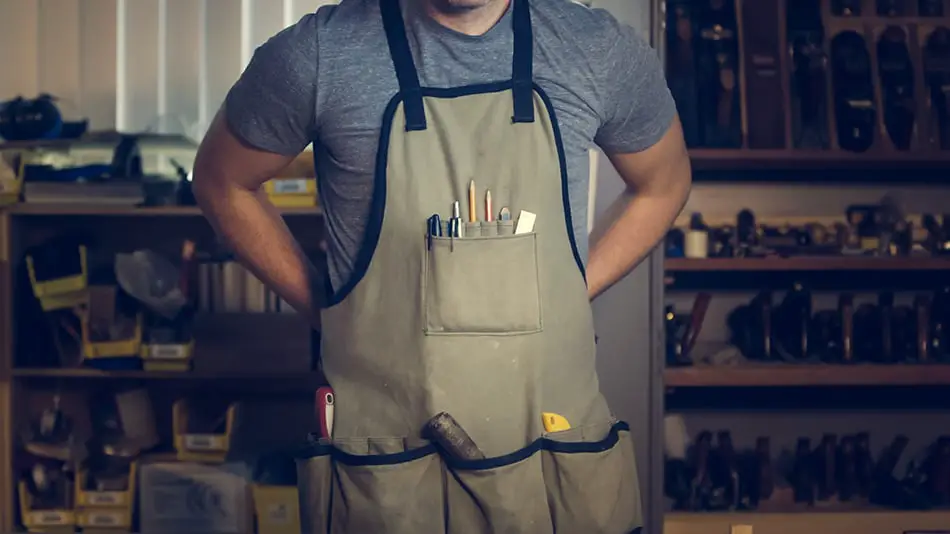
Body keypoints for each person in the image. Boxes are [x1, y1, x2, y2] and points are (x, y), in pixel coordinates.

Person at [193, 0, 690, 531]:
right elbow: (221, 180)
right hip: (391, 479)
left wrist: (568, 288)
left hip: (554, 472)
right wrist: (332, 310)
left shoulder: (593, 46)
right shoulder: (318, 54)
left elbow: (664, 184)